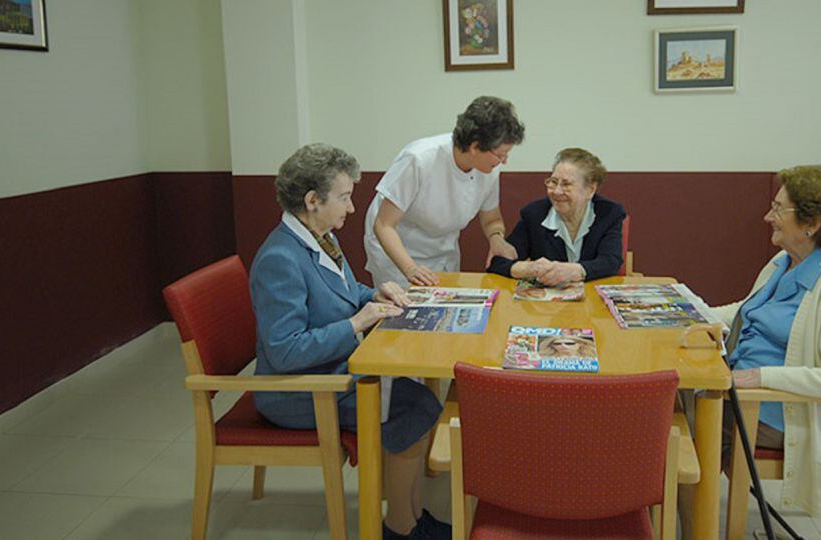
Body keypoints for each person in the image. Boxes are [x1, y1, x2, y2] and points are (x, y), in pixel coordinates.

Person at [249, 143, 449, 540]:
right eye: (344, 197)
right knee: (415, 408)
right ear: (312, 200)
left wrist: (375, 295)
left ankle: (410, 515)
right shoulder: (280, 259)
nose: (352, 208)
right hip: (298, 391)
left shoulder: (318, 234)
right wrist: (358, 323)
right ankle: (401, 527)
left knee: (420, 402)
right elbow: (286, 351)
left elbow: (343, 289)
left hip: (331, 370)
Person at [680, 165, 821, 535]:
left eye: (779, 210)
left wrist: (758, 377)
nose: (767, 217)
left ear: (812, 222)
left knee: (671, 426)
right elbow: (749, 310)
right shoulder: (786, 261)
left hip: (784, 412)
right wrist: (688, 313)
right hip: (741, 392)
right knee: (670, 404)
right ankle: (674, 518)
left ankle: (686, 524)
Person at [364, 96, 525, 287]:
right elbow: (384, 224)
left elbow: (492, 219)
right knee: (405, 311)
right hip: (400, 251)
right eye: (500, 154)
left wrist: (496, 238)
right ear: (475, 146)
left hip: (443, 247)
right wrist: (410, 269)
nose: (504, 160)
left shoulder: (489, 169)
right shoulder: (419, 159)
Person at [486, 147, 626, 285]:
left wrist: (575, 271)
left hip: (593, 300)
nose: (557, 191)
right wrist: (528, 269)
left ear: (590, 190)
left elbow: (610, 261)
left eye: (566, 184)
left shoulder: (609, 213)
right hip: (547, 306)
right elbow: (499, 262)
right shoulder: (534, 214)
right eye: (553, 182)